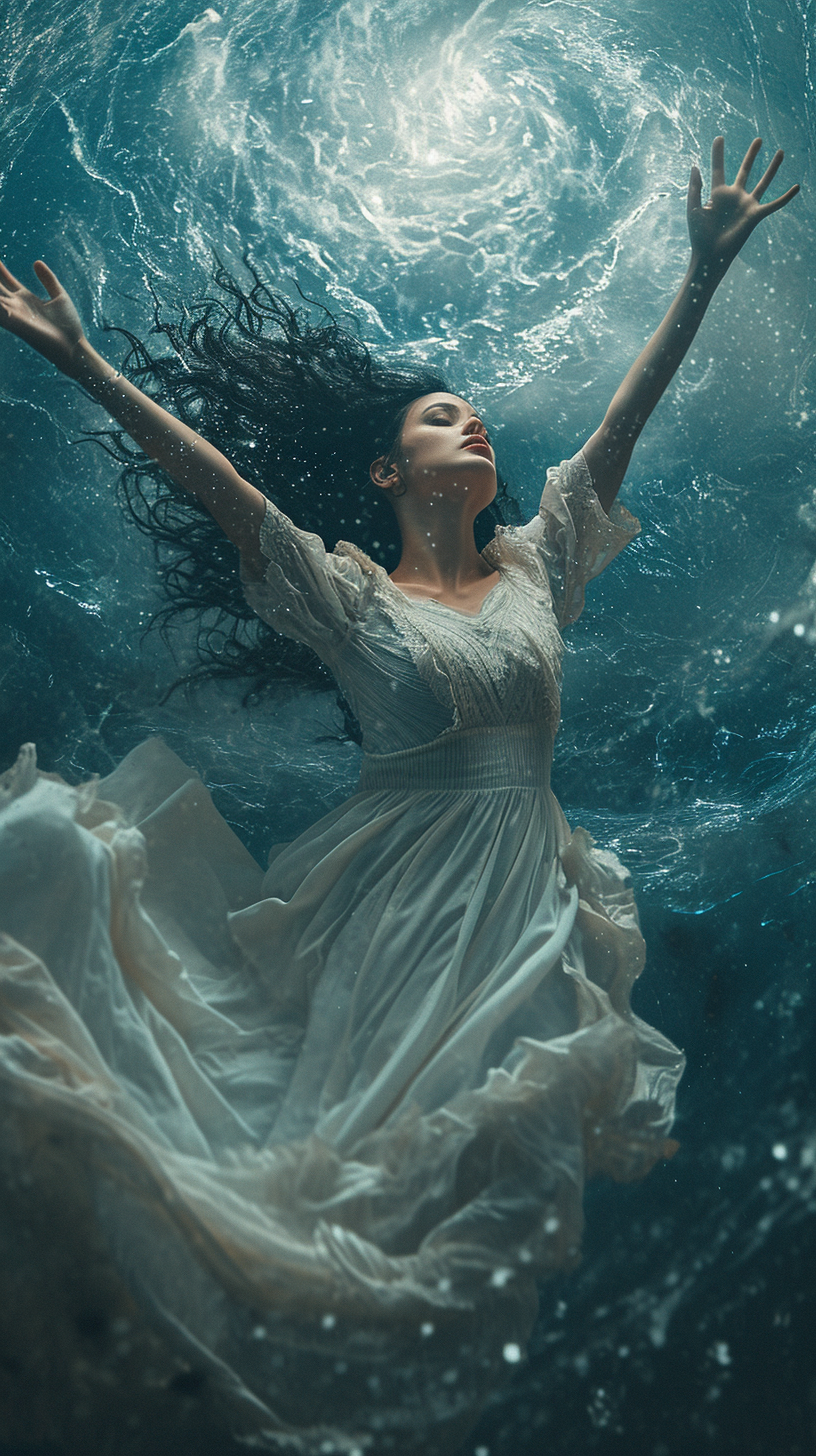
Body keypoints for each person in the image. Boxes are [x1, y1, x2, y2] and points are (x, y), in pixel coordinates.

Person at [0, 138, 799, 1454]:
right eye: (437, 416)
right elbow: (228, 494)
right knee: (303, 1170)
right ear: (388, 476)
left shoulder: (542, 564)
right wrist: (85, 364)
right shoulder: (347, 593)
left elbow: (618, 433)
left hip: (515, 911)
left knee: (468, 1218)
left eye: (470, 411)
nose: (467, 419)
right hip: (379, 913)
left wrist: (704, 272)